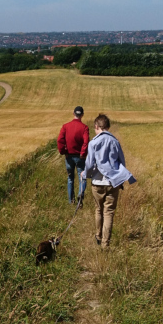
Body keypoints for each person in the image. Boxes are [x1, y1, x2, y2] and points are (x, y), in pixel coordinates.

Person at [81, 113, 136, 248]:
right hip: (113, 183)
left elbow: (89, 164)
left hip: (97, 183)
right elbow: (122, 161)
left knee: (98, 210)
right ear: (108, 127)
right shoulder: (115, 142)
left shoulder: (93, 143)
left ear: (96, 126)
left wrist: (85, 175)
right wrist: (121, 178)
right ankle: (105, 244)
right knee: (109, 212)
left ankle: (98, 236)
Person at [57, 106, 89, 203]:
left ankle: (71, 200)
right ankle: (80, 195)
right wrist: (83, 153)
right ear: (82, 115)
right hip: (80, 157)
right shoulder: (84, 128)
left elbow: (60, 140)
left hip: (69, 157)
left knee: (70, 178)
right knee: (82, 177)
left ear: (73, 113)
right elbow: (86, 142)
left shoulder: (65, 126)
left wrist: (63, 151)